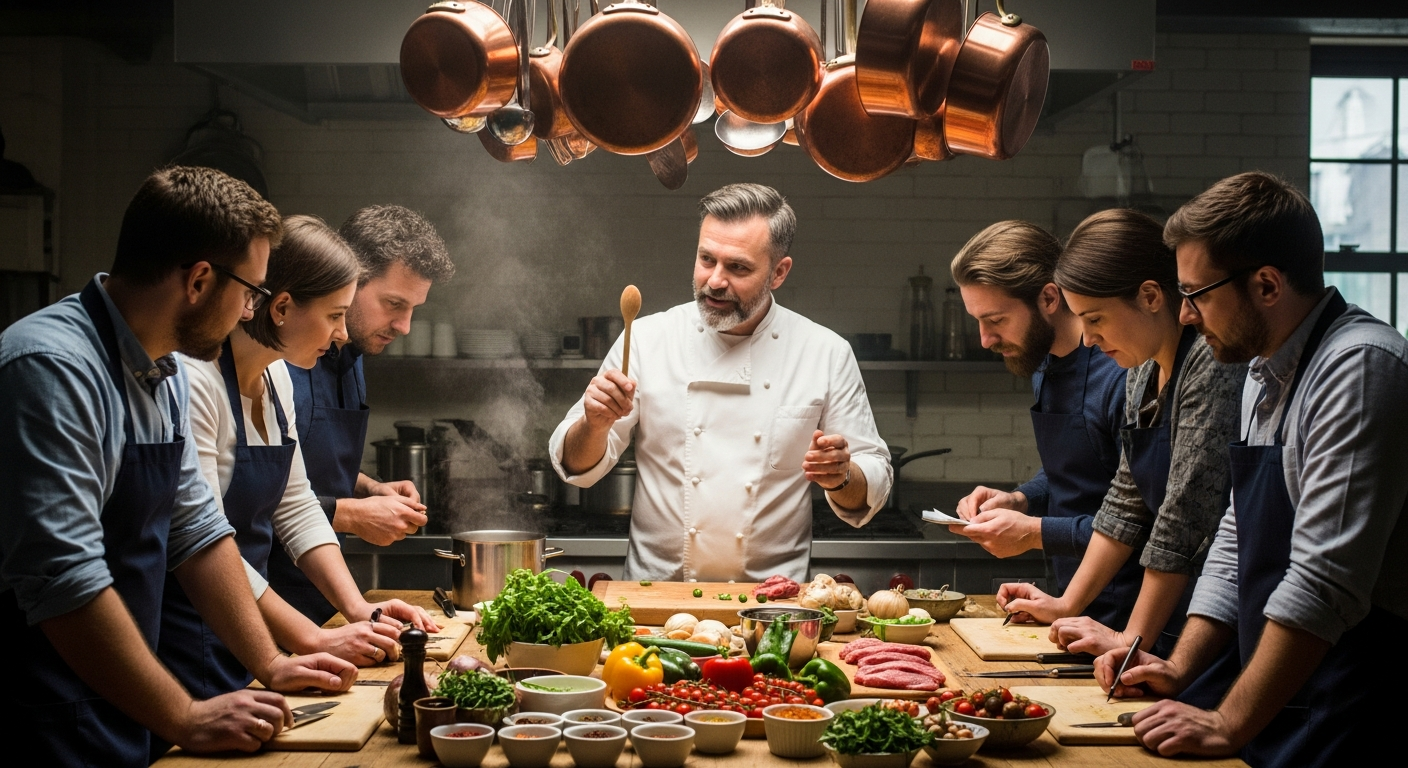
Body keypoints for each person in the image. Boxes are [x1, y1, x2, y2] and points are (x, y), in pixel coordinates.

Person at [0, 167, 355, 766]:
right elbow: (62, 577)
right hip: (52, 710)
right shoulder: (51, 367)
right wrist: (184, 715)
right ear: (198, 281)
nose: (252, 310)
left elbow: (198, 532)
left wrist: (271, 663)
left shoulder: (156, 369)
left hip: (125, 697)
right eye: (250, 292)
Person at [1095, 172, 1408, 766]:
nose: (1186, 316)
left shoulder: (1360, 368)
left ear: (1267, 284)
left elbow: (1325, 581)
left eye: (1198, 294)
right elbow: (1237, 536)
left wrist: (1226, 721)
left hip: (1353, 694)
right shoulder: (1263, 370)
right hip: (1284, 691)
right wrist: (1178, 667)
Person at [157, 216, 438, 721]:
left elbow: (295, 505)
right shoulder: (196, 382)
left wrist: (358, 609)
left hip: (254, 633)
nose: (339, 334)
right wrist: (308, 636)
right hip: (191, 634)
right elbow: (199, 540)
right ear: (281, 307)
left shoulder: (276, 380)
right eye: (335, 315)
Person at [549, 183, 892, 581]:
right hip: (656, 598)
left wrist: (843, 475)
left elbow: (874, 475)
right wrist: (594, 424)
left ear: (779, 272)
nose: (714, 280)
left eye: (738, 267)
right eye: (706, 259)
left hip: (773, 608)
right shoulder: (644, 339)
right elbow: (575, 465)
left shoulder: (824, 352)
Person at [992, 209, 1245, 659]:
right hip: (1162, 617)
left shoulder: (1208, 364)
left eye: (1095, 319)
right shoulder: (1141, 370)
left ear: (1150, 296)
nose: (1087, 340)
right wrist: (1066, 604)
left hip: (1214, 619)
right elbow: (1126, 502)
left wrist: (1130, 639)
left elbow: (1181, 519)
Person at [270, 205, 456, 624]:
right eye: (393, 304)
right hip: (264, 597)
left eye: (414, 309)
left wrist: (369, 488)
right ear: (350, 279)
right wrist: (351, 514)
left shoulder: (352, 358)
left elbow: (301, 462)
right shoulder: (278, 360)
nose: (405, 326)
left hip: (323, 600)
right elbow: (250, 494)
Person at [949, 221, 1140, 629]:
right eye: (978, 321)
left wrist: (1034, 532)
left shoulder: (1122, 373)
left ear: (1049, 297)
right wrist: (1021, 500)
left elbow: (1141, 522)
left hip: (1133, 616)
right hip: (1070, 604)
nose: (985, 340)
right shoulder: (1044, 365)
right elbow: (1076, 473)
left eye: (996, 320)